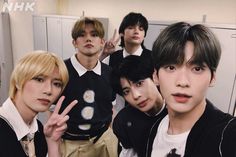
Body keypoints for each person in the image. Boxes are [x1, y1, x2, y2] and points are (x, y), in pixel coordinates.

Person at [147, 22, 236, 157]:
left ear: (212, 78)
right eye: (171, 67)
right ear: (155, 76)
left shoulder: (228, 134)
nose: (183, 82)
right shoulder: (154, 127)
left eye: (197, 69)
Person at [58, 17, 118, 157]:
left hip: (104, 139)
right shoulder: (62, 70)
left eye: (94, 34)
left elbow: (111, 106)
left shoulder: (109, 73)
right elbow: (52, 109)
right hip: (72, 143)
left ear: (102, 42)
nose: (88, 39)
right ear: (74, 42)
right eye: (82, 35)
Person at [0, 51, 78, 157]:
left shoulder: (39, 130)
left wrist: (52, 143)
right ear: (18, 81)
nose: (48, 90)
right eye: (39, 79)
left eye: (56, 84)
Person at [111, 55, 167, 157]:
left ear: (155, 77)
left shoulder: (178, 109)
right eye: (127, 91)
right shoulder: (124, 120)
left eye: (139, 84)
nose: (136, 95)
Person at [101, 12, 152, 113]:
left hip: (146, 115)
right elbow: (96, 77)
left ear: (144, 35)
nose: (136, 31)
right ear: (122, 33)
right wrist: (103, 55)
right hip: (117, 115)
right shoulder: (112, 58)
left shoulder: (153, 58)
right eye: (131, 27)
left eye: (141, 29)